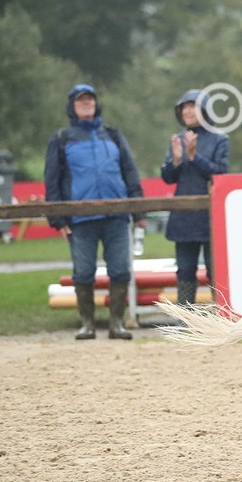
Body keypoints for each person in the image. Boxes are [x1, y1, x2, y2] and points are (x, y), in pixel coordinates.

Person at [44, 84, 146, 340]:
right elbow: (52, 181)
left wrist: (138, 210)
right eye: (80, 101)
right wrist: (58, 219)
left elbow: (130, 172)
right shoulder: (61, 139)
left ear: (96, 104)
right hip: (80, 219)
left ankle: (117, 324)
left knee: (121, 270)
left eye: (90, 99)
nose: (86, 103)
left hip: (117, 215)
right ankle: (87, 325)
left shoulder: (113, 135)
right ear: (72, 107)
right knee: (83, 272)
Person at [161, 89, 230, 307]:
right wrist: (177, 160)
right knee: (185, 270)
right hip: (183, 216)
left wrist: (194, 157)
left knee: (214, 268)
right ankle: (186, 319)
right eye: (185, 107)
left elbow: (220, 173)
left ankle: (220, 314)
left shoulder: (220, 139)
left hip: (210, 216)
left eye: (193, 106)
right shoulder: (177, 139)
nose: (188, 111)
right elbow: (167, 178)